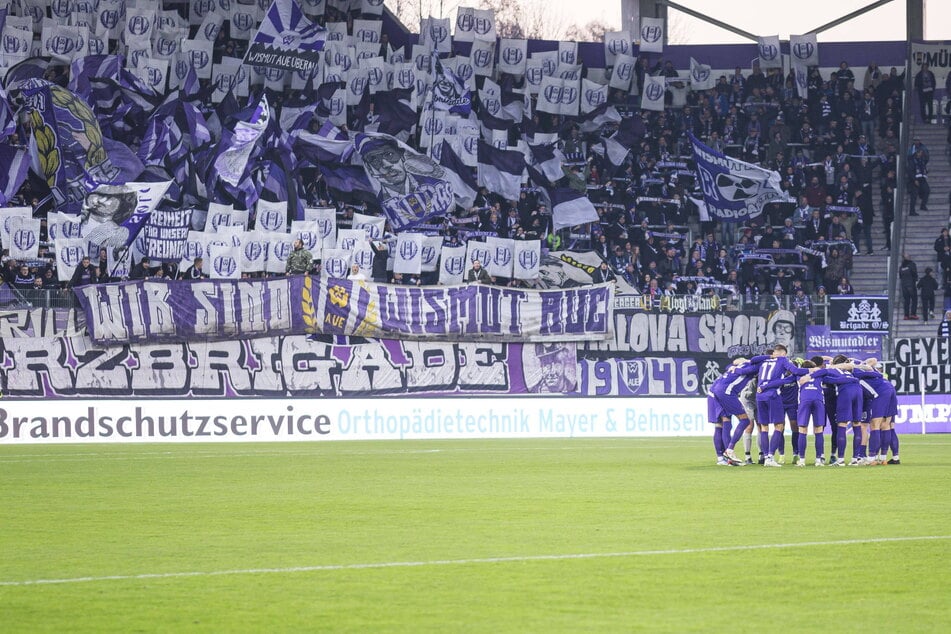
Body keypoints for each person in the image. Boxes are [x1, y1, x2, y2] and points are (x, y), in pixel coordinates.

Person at [754, 345, 808, 467]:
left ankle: (766, 455)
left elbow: (752, 361)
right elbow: (797, 371)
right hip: (773, 395)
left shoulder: (764, 360)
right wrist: (811, 370)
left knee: (764, 427)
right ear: (783, 353)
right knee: (779, 425)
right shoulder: (783, 360)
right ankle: (771, 457)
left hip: (759, 396)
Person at [899, 253, 919, 319]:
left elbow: (900, 276)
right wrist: (916, 281)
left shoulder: (901, 267)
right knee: (914, 299)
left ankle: (906, 315)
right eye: (909, 256)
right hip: (911, 285)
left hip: (904, 286)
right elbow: (914, 274)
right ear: (908, 257)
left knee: (906, 301)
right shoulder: (912, 264)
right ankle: (913, 314)